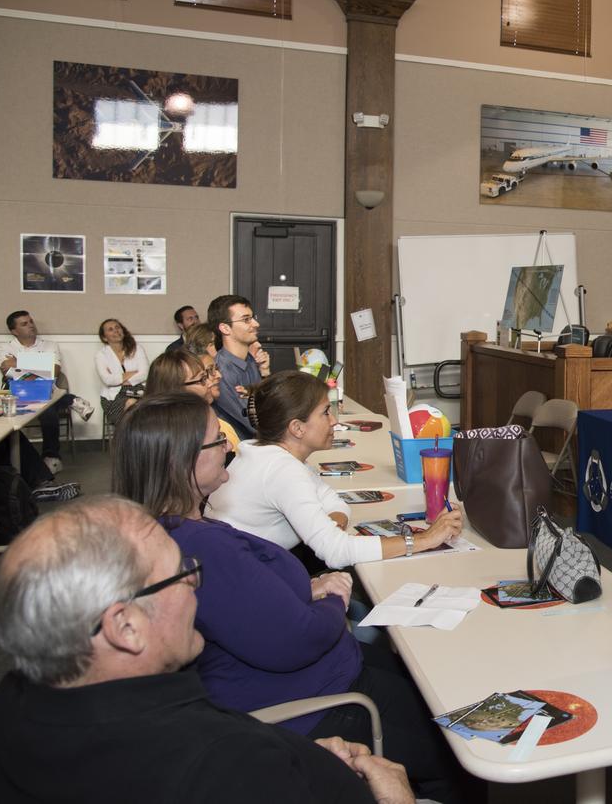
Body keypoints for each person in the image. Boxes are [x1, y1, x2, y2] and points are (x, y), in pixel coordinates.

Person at [110, 393, 468, 803]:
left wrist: (305, 590)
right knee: (457, 746)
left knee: (429, 680)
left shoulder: (171, 530)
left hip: (315, 677)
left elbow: (245, 606)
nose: (229, 446)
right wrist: (333, 598)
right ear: (182, 460)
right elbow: (296, 639)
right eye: (217, 440)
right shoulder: (202, 547)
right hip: (317, 704)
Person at [0, 495, 417, 804]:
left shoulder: (10, 705)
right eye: (181, 574)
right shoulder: (219, 765)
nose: (196, 584)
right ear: (125, 627)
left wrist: (298, 756)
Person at [208, 371, 463, 569]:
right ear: (297, 428)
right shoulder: (282, 470)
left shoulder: (264, 452)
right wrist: (425, 540)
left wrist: (328, 529)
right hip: (250, 587)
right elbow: (335, 552)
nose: (334, 421)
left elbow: (334, 501)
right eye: (325, 412)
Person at [0, 310, 93, 473]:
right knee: (46, 399)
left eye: (31, 321)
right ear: (14, 331)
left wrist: (19, 363)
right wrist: (41, 367)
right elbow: (7, 370)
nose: (31, 325)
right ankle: (71, 400)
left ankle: (51, 458)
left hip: (46, 392)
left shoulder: (50, 345)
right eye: (24, 324)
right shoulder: (5, 347)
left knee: (48, 411)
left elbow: (54, 371)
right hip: (19, 394)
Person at [146, 347, 240, 453]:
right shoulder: (180, 434)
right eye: (202, 379)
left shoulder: (207, 419)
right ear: (176, 388)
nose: (209, 383)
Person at [207, 294, 270, 441]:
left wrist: (265, 372)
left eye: (252, 318)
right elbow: (255, 423)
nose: (256, 324)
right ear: (225, 328)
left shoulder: (250, 360)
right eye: (246, 319)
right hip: (239, 447)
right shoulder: (221, 371)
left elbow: (267, 403)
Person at [94, 317, 149, 429]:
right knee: (132, 404)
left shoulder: (137, 348)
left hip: (139, 391)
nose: (116, 331)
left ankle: (131, 436)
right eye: (110, 329)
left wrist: (122, 379)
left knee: (143, 406)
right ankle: (133, 436)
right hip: (113, 397)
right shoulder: (101, 355)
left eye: (117, 327)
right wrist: (132, 373)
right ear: (104, 337)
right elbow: (108, 380)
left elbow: (145, 373)